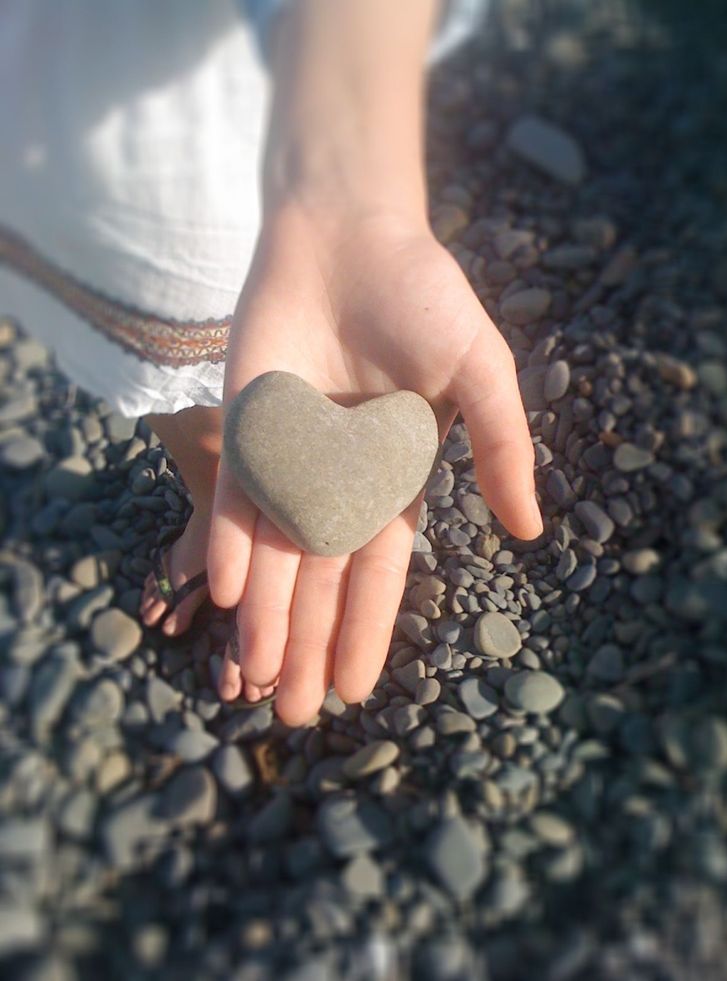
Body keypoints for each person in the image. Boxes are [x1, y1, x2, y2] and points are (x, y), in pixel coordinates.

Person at [0, 0, 543, 727]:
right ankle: (209, 488)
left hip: (219, 115)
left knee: (205, 310)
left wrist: (356, 200)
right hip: (38, 115)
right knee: (136, 327)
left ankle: (227, 488)